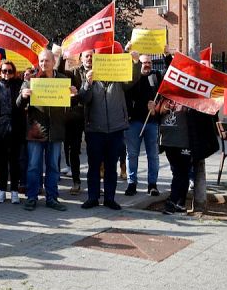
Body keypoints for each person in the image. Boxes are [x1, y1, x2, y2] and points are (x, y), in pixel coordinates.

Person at [77, 47, 141, 210]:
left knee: (111, 166)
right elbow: (84, 99)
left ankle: (110, 198)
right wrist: (87, 84)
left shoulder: (118, 77)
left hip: (115, 129)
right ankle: (93, 197)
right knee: (93, 166)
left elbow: (132, 79)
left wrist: (135, 63)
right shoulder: (89, 76)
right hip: (94, 130)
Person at [17, 49, 69, 212]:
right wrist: (23, 95)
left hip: (56, 130)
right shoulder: (31, 80)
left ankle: (52, 198)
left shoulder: (63, 80)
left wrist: (73, 94)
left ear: (54, 61)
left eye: (46, 61)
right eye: (41, 61)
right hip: (36, 131)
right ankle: (31, 197)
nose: (43, 64)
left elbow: (71, 104)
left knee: (53, 166)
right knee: (33, 166)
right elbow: (18, 104)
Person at [156, 97, 220, 214]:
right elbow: (157, 115)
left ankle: (172, 201)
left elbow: (206, 115)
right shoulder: (165, 97)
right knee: (179, 172)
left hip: (184, 142)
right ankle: (180, 203)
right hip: (168, 142)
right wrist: (153, 109)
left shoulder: (192, 98)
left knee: (181, 172)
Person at [123, 54, 161, 196]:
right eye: (144, 62)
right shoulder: (132, 78)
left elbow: (163, 97)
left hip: (151, 123)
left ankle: (152, 184)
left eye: (150, 62)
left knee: (153, 155)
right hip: (133, 123)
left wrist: (155, 107)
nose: (147, 65)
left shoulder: (156, 76)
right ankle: (132, 183)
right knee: (132, 154)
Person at [0, 60, 24, 204]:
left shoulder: (19, 84)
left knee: (15, 160)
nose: (7, 74)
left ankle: (14, 191)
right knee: (2, 160)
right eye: (4, 71)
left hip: (16, 125)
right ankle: (2, 190)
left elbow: (24, 101)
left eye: (10, 71)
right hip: (0, 126)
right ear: (0, 72)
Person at [58, 53, 86, 196]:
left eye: (91, 56)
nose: (89, 59)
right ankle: (76, 181)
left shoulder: (100, 70)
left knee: (93, 152)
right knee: (71, 150)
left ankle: (94, 183)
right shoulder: (73, 72)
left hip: (90, 117)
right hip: (72, 118)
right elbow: (60, 73)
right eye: (86, 56)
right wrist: (62, 57)